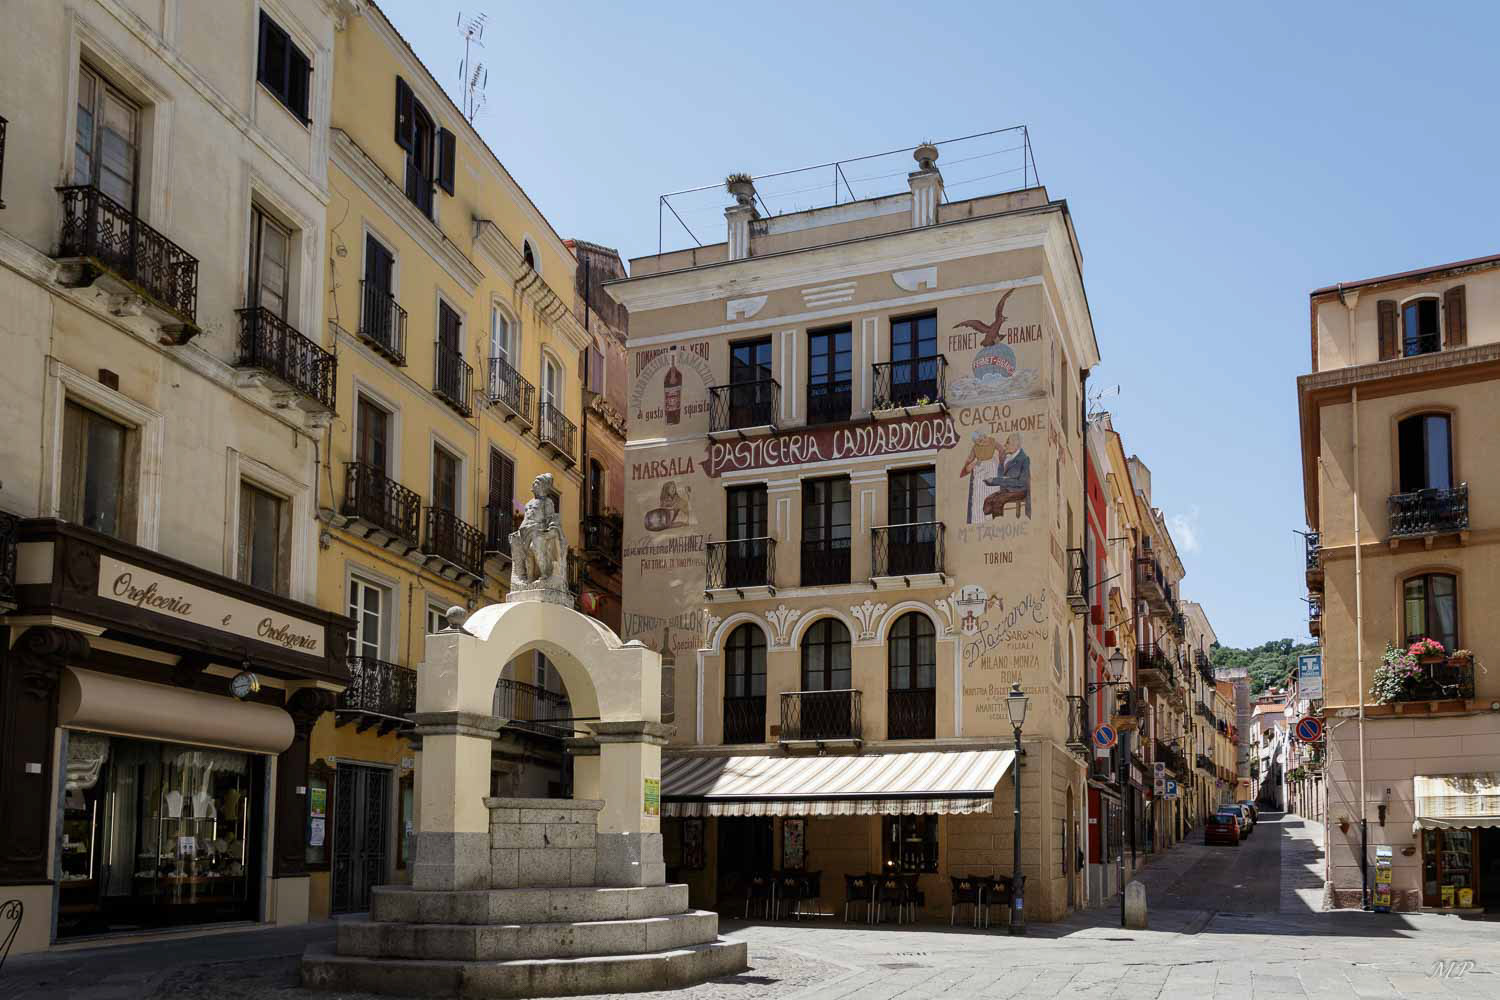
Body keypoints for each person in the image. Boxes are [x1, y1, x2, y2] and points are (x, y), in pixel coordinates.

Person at [511, 473, 565, 587]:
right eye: (534, 482)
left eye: (537, 483)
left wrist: (550, 529)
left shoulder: (547, 502)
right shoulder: (528, 503)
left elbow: (550, 517)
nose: (534, 484)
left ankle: (544, 574)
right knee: (527, 554)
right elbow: (526, 518)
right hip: (525, 532)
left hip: (537, 531)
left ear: (543, 487)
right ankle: (529, 579)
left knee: (533, 548)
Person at [984, 433, 1031, 518]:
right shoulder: (1009, 458)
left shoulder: (1024, 459)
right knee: (988, 500)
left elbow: (1022, 483)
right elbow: (1001, 477)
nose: (1005, 445)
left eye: (1007, 443)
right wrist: (1001, 463)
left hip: (1020, 491)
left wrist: (996, 481)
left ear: (1015, 445)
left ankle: (999, 523)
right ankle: (994, 521)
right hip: (1007, 490)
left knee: (998, 500)